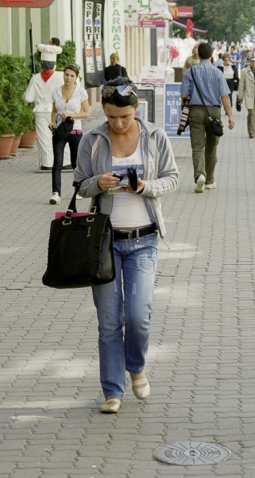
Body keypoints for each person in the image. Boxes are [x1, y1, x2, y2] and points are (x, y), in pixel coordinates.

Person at [74, 79, 178, 414]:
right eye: (112, 116)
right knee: (109, 321)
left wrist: (146, 185)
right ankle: (112, 391)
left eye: (125, 116)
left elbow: (173, 178)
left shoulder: (154, 136)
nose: (118, 123)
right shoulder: (92, 139)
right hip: (103, 243)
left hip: (143, 240)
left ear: (136, 109)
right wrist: (98, 183)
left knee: (138, 316)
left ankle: (136, 367)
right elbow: (80, 184)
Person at [180, 43, 235, 192]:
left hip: (196, 111)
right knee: (212, 147)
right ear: (212, 55)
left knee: (197, 147)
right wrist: (230, 116)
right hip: (214, 113)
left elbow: (184, 95)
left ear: (197, 55)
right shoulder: (217, 72)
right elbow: (225, 96)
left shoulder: (190, 72)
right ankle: (210, 180)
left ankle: (199, 176)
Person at [49, 64, 91, 204]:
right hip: (61, 131)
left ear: (76, 77)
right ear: (63, 75)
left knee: (75, 163)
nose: (69, 78)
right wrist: (53, 122)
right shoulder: (56, 91)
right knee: (58, 162)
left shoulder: (80, 92)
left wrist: (71, 116)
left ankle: (78, 189)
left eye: (72, 76)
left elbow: (87, 112)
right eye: (67, 74)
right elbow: (54, 110)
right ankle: (56, 193)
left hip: (75, 131)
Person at [24, 50, 65, 171]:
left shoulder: (35, 78)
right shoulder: (61, 76)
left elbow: (28, 98)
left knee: (44, 137)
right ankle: (65, 161)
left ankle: (47, 163)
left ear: (42, 63)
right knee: (62, 135)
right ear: (54, 64)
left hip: (41, 109)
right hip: (57, 109)